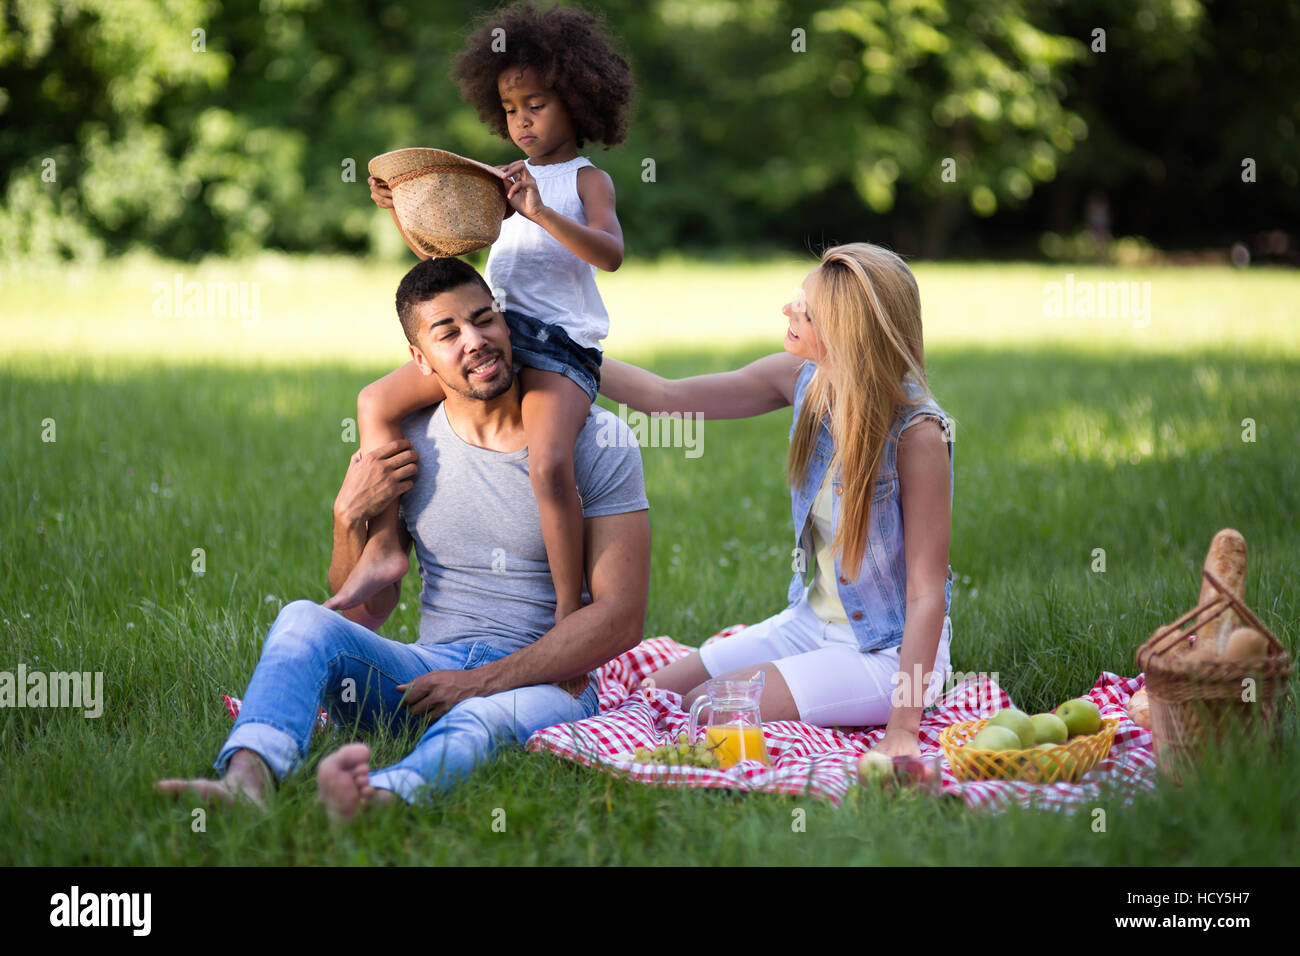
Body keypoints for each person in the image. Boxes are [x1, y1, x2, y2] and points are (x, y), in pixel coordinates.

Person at [157, 256, 650, 820]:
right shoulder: (410, 442)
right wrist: (347, 518)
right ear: (419, 359)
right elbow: (366, 606)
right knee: (302, 619)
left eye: (485, 319)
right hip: (428, 672)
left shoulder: (598, 441)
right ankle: (248, 780)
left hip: (545, 682)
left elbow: (619, 618)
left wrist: (479, 683)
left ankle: (381, 798)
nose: (476, 341)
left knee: (480, 717)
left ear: (507, 324)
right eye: (448, 332)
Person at [328, 0, 634, 627]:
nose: (521, 122)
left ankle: (565, 606)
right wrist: (397, 209)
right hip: (497, 329)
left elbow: (611, 255)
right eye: (510, 110)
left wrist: (540, 211)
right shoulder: (506, 180)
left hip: (558, 347)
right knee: (375, 402)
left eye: (537, 106)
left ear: (577, 99)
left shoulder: (585, 181)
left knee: (547, 463)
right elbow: (443, 262)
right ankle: (385, 545)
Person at [600, 242, 955, 758]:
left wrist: (902, 731)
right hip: (809, 624)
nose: (788, 311)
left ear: (845, 335)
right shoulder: (802, 380)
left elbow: (928, 595)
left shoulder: (917, 435)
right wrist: (569, 355)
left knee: (712, 709)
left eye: (806, 312)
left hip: (885, 654)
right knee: (658, 691)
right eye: (797, 298)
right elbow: (666, 398)